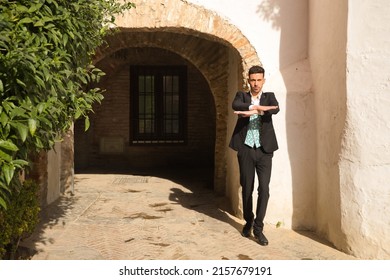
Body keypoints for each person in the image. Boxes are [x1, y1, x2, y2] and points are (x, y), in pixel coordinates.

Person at [229, 65, 279, 246]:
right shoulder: (241, 96)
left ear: (263, 81)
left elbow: (275, 108)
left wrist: (251, 112)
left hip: (265, 150)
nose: (256, 83)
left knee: (264, 189)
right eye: (253, 80)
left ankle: (258, 228)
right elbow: (236, 106)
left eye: (259, 80)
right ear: (248, 81)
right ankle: (248, 221)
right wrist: (256, 107)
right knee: (247, 188)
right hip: (246, 149)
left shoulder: (269, 96)